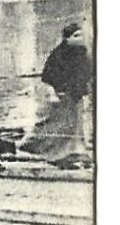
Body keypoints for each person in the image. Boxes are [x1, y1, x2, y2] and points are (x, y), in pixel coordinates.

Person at [35, 22, 91, 167]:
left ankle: (77, 152)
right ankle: (58, 155)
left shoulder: (82, 52)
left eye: (81, 35)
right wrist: (53, 93)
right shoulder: (58, 54)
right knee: (62, 126)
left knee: (77, 125)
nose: (80, 38)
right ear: (67, 38)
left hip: (76, 95)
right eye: (76, 36)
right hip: (62, 96)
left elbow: (88, 73)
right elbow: (47, 76)